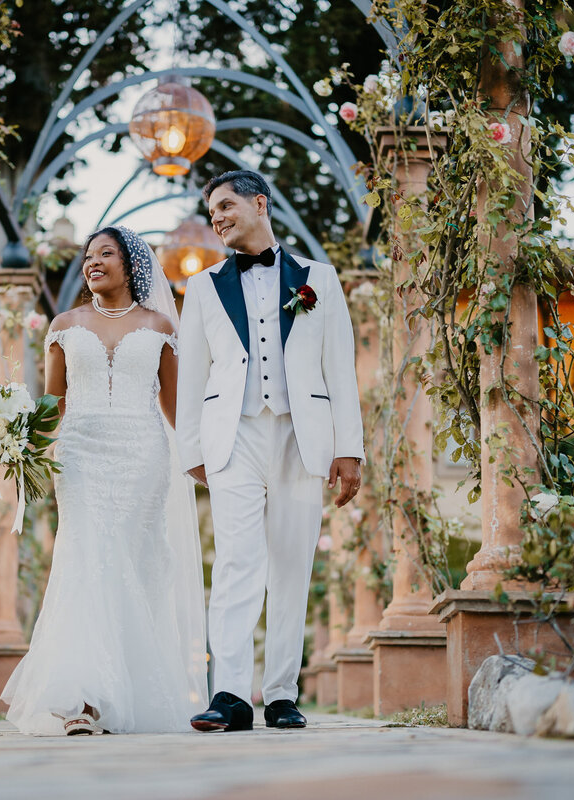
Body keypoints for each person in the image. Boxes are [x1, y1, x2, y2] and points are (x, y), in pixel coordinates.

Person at [176, 170, 364, 732]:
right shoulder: (204, 286)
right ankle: (230, 694)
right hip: (232, 434)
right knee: (237, 561)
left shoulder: (320, 281)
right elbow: (192, 373)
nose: (219, 218)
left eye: (227, 205)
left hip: (302, 435)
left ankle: (282, 693)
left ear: (260, 202)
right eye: (213, 212)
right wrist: (191, 447)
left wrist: (348, 448)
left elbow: (341, 368)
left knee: (291, 563)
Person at [0, 226, 207, 735]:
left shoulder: (160, 324)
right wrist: (24, 446)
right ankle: (83, 700)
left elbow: (173, 404)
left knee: (129, 564)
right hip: (81, 454)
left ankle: (121, 692)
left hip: (143, 455)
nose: (93, 262)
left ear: (130, 263)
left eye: (105, 254)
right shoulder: (64, 325)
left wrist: (201, 457)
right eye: (88, 256)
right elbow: (56, 400)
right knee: (86, 558)